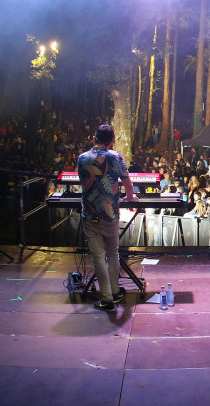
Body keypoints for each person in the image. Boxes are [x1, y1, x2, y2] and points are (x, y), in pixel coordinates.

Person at [77, 124, 137, 312]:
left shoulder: (82, 158)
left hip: (90, 213)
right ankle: (116, 291)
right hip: (111, 214)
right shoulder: (116, 157)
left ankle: (107, 298)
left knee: (98, 257)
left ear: (93, 139)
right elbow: (128, 183)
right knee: (113, 253)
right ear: (111, 142)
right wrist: (129, 198)